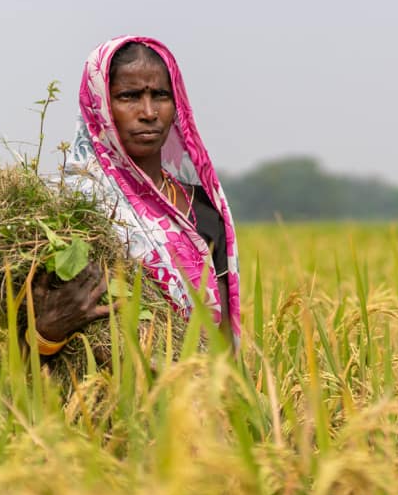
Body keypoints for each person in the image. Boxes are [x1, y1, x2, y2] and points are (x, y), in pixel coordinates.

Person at [27, 36, 241, 353]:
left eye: (161, 96)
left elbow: (221, 345)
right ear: (99, 105)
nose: (149, 112)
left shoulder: (203, 208)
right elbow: (15, 361)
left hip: (193, 397)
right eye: (129, 96)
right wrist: (47, 333)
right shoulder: (66, 211)